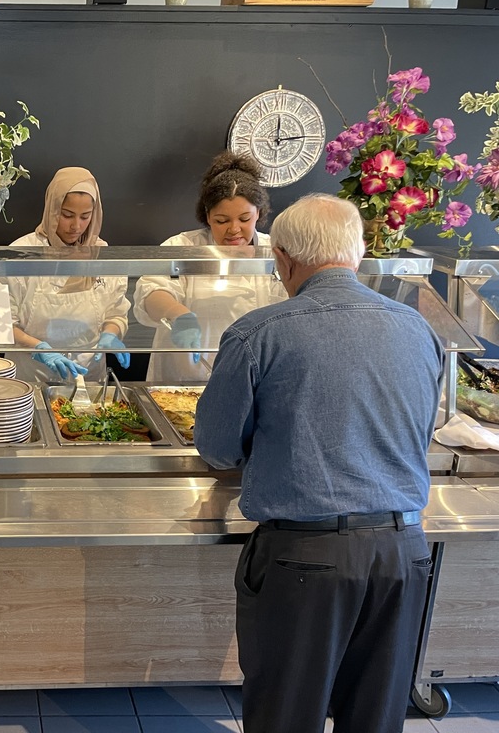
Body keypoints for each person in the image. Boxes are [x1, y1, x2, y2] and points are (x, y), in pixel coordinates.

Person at [193, 194, 443, 733]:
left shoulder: (259, 331)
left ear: (281, 258)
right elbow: (418, 432)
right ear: (358, 251)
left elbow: (216, 446)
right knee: (376, 719)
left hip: (305, 557)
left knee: (287, 716)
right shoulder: (418, 329)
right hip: (403, 553)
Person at [133, 152, 284, 384]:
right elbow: (151, 291)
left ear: (259, 213)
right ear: (207, 216)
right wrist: (178, 314)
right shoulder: (183, 246)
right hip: (183, 379)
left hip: (254, 378)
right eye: (222, 221)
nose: (234, 229)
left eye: (244, 219)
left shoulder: (274, 251)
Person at [0, 167, 130, 383]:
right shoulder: (21, 253)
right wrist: (38, 348)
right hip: (31, 378)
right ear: (51, 209)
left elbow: (116, 313)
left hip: (89, 379)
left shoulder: (102, 254)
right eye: (67, 215)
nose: (76, 226)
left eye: (85, 216)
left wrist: (110, 335)